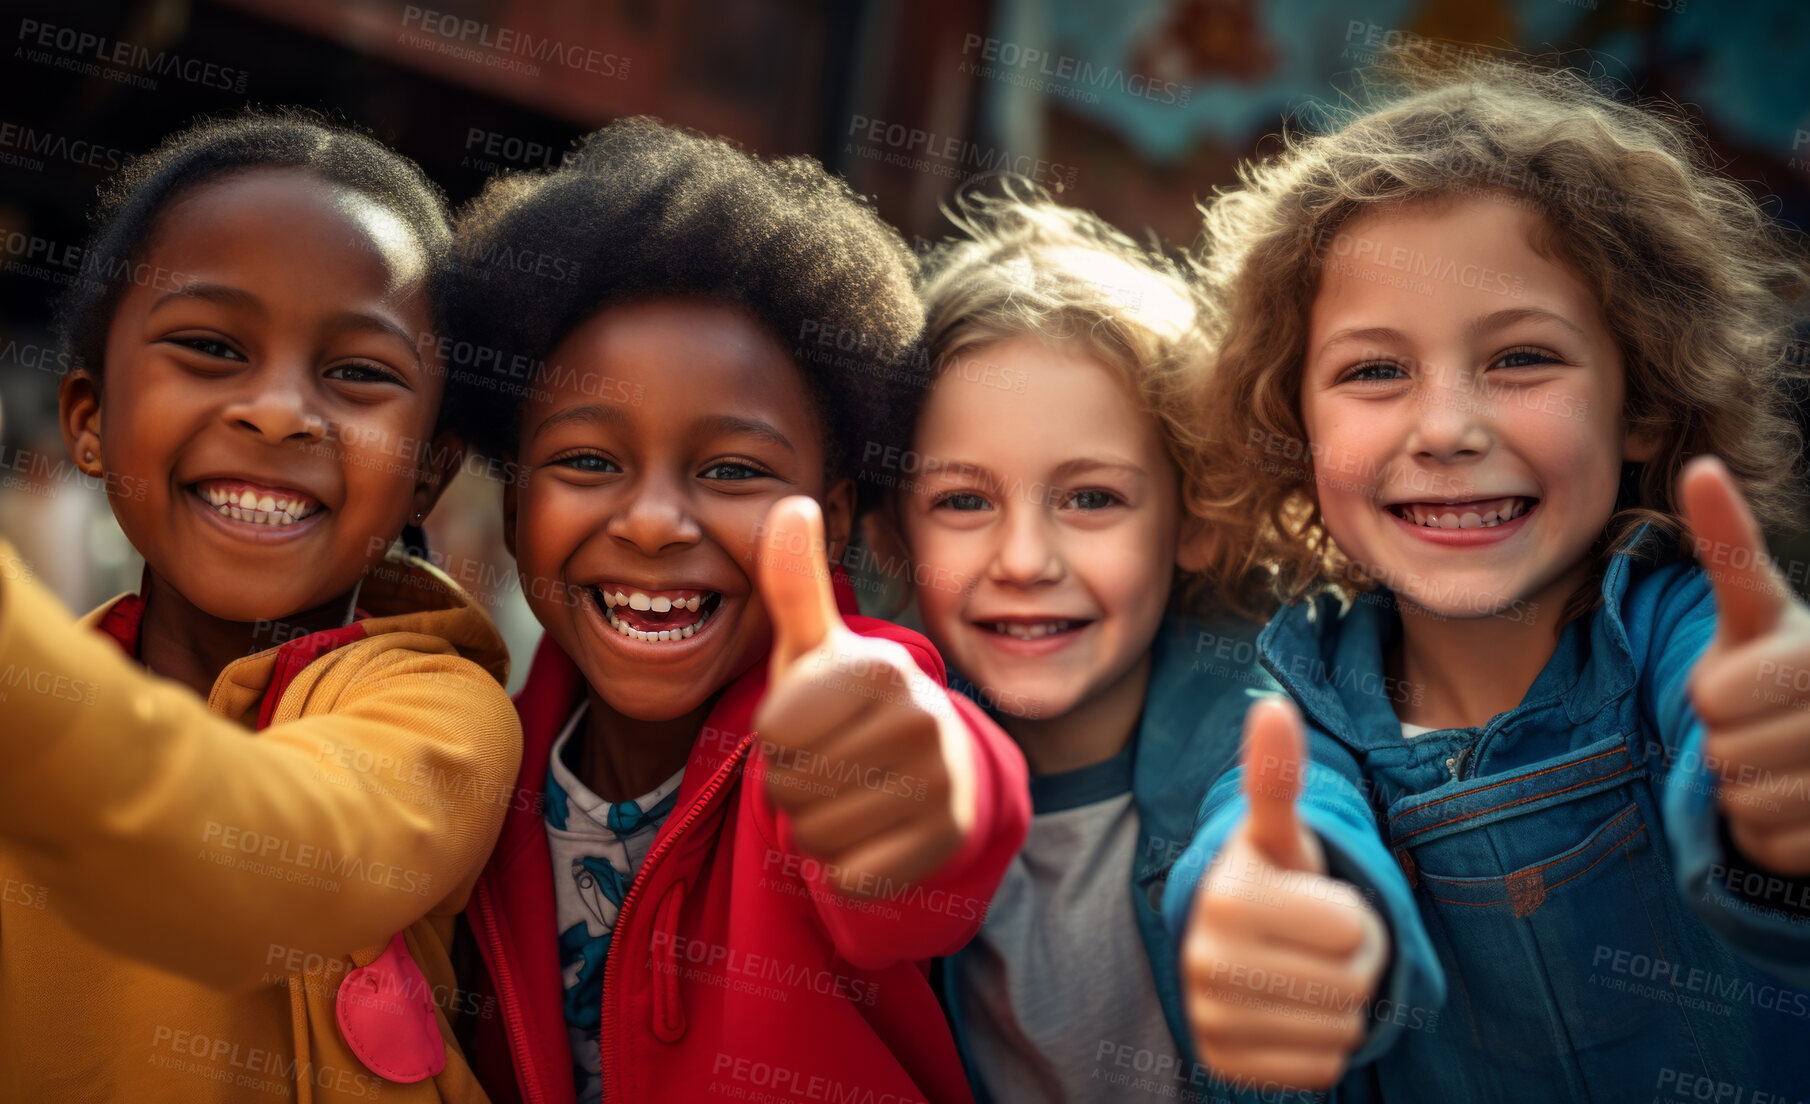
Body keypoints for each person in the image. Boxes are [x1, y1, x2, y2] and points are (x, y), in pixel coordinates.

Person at [1169, 50, 1810, 1100]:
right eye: (1375, 371)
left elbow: (1740, 732)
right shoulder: (1306, 709)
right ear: (1295, 429)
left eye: (1520, 359)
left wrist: (1770, 792)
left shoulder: (1682, 632)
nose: (1448, 428)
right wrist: (1262, 919)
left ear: (1639, 400)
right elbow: (1275, 825)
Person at [447, 117, 1031, 1104]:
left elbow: (933, 804)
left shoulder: (833, 731)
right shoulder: (470, 777)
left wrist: (923, 788)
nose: (654, 521)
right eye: (589, 462)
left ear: (833, 513)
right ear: (514, 503)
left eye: (732, 470)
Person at [0, 112, 523, 1102]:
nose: (279, 410)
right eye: (209, 346)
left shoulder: (440, 716)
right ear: (90, 421)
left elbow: (247, 864)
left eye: (359, 373)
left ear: (429, 475)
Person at [872, 177, 1280, 1103]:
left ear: (1197, 516)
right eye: (963, 501)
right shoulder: (873, 768)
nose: (1024, 559)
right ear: (893, 534)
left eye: (1091, 498)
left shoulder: (1290, 745)